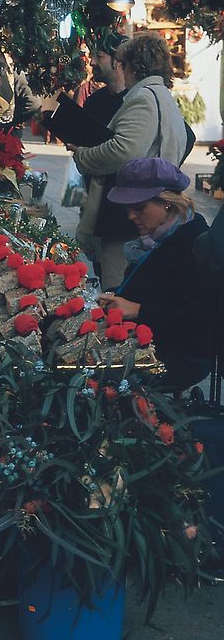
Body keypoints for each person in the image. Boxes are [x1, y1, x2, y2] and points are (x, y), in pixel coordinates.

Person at [69, 31, 187, 288]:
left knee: (118, 290)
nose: (121, 69)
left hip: (129, 213)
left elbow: (123, 150)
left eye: (123, 63)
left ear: (133, 64)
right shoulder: (160, 95)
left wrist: (83, 155)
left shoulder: (144, 97)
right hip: (147, 207)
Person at [99, 157, 213, 389]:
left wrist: (138, 310)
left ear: (168, 204)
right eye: (128, 208)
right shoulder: (159, 236)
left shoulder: (193, 244)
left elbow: (201, 321)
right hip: (147, 338)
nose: (131, 216)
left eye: (139, 208)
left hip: (179, 355)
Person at [82, 29, 128, 128]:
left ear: (117, 61)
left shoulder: (134, 103)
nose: (92, 62)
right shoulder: (94, 101)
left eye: (99, 56)